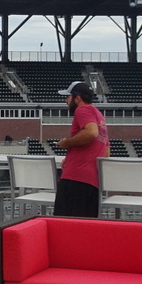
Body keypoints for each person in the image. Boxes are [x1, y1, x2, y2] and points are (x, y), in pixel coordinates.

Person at [52, 80, 108, 218]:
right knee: (85, 228)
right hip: (92, 181)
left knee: (64, 225)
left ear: (77, 98)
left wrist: (68, 143)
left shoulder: (82, 110)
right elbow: (106, 151)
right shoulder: (99, 115)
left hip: (75, 178)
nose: (66, 101)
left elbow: (91, 133)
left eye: (68, 97)